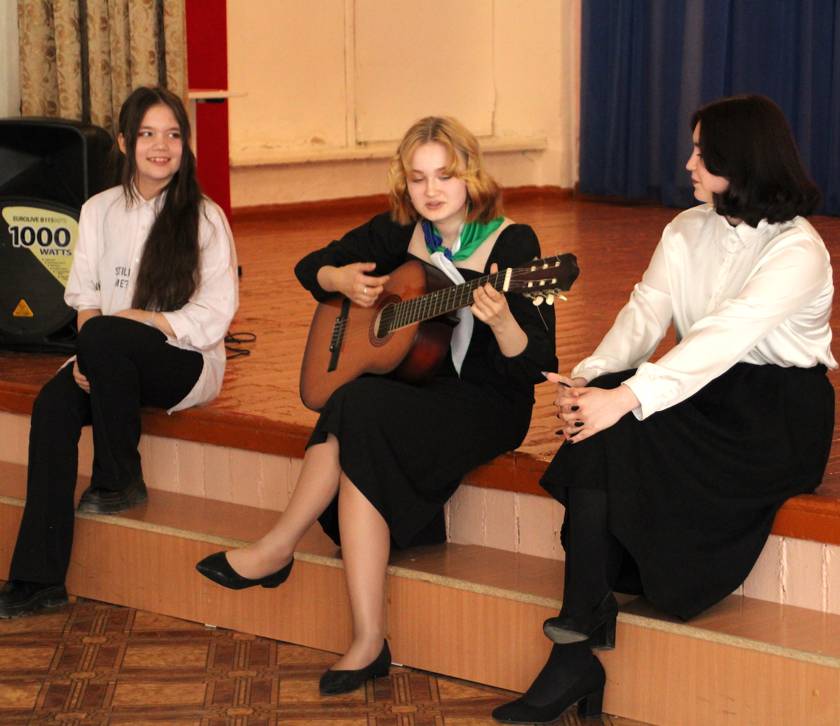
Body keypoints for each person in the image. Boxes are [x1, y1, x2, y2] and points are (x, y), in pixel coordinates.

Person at [492, 94, 836, 723]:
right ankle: (576, 639)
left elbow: (722, 338)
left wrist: (624, 398)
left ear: (743, 160)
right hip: (704, 391)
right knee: (603, 413)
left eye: (703, 153)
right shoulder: (686, 229)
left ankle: (578, 642)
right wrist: (589, 378)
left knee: (616, 417)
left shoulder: (798, 250)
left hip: (776, 415)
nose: (688, 164)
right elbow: (644, 315)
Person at [196, 116, 558, 695]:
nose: (431, 191)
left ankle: (282, 552)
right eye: (418, 178)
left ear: (471, 175)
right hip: (420, 390)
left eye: (445, 175)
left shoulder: (513, 245)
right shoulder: (401, 231)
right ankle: (364, 637)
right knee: (358, 407)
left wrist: (502, 322)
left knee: (356, 407)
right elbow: (310, 267)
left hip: (487, 401)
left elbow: (535, 361)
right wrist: (339, 279)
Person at [0, 86, 238, 619]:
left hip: (183, 360)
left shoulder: (205, 217)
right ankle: (38, 579)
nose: (161, 146)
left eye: (173, 135)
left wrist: (135, 323)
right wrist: (92, 353)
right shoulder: (98, 209)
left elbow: (215, 314)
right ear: (126, 142)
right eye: (148, 134)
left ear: (185, 145)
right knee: (52, 406)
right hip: (106, 357)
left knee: (109, 334)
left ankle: (119, 476)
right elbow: (84, 297)